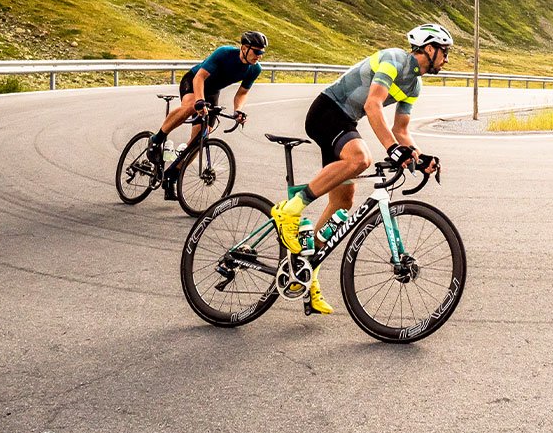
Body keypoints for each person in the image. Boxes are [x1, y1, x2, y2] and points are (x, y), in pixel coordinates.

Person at [271, 23, 452, 314]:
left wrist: (420, 158)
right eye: (444, 52)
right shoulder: (394, 60)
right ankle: (289, 209)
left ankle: (307, 271)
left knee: (343, 202)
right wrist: (392, 149)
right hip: (327, 111)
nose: (446, 58)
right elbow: (373, 105)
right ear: (429, 48)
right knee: (360, 158)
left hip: (345, 122)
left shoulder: (414, 85)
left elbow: (401, 131)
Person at [146, 31, 266, 199]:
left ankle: (173, 175)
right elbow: (200, 77)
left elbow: (242, 93)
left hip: (212, 91)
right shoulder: (224, 53)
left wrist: (238, 110)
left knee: (201, 138)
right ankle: (156, 140)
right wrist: (200, 101)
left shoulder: (255, 69)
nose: (259, 56)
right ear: (244, 48)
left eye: (262, 52)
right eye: (257, 52)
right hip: (194, 81)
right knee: (190, 107)